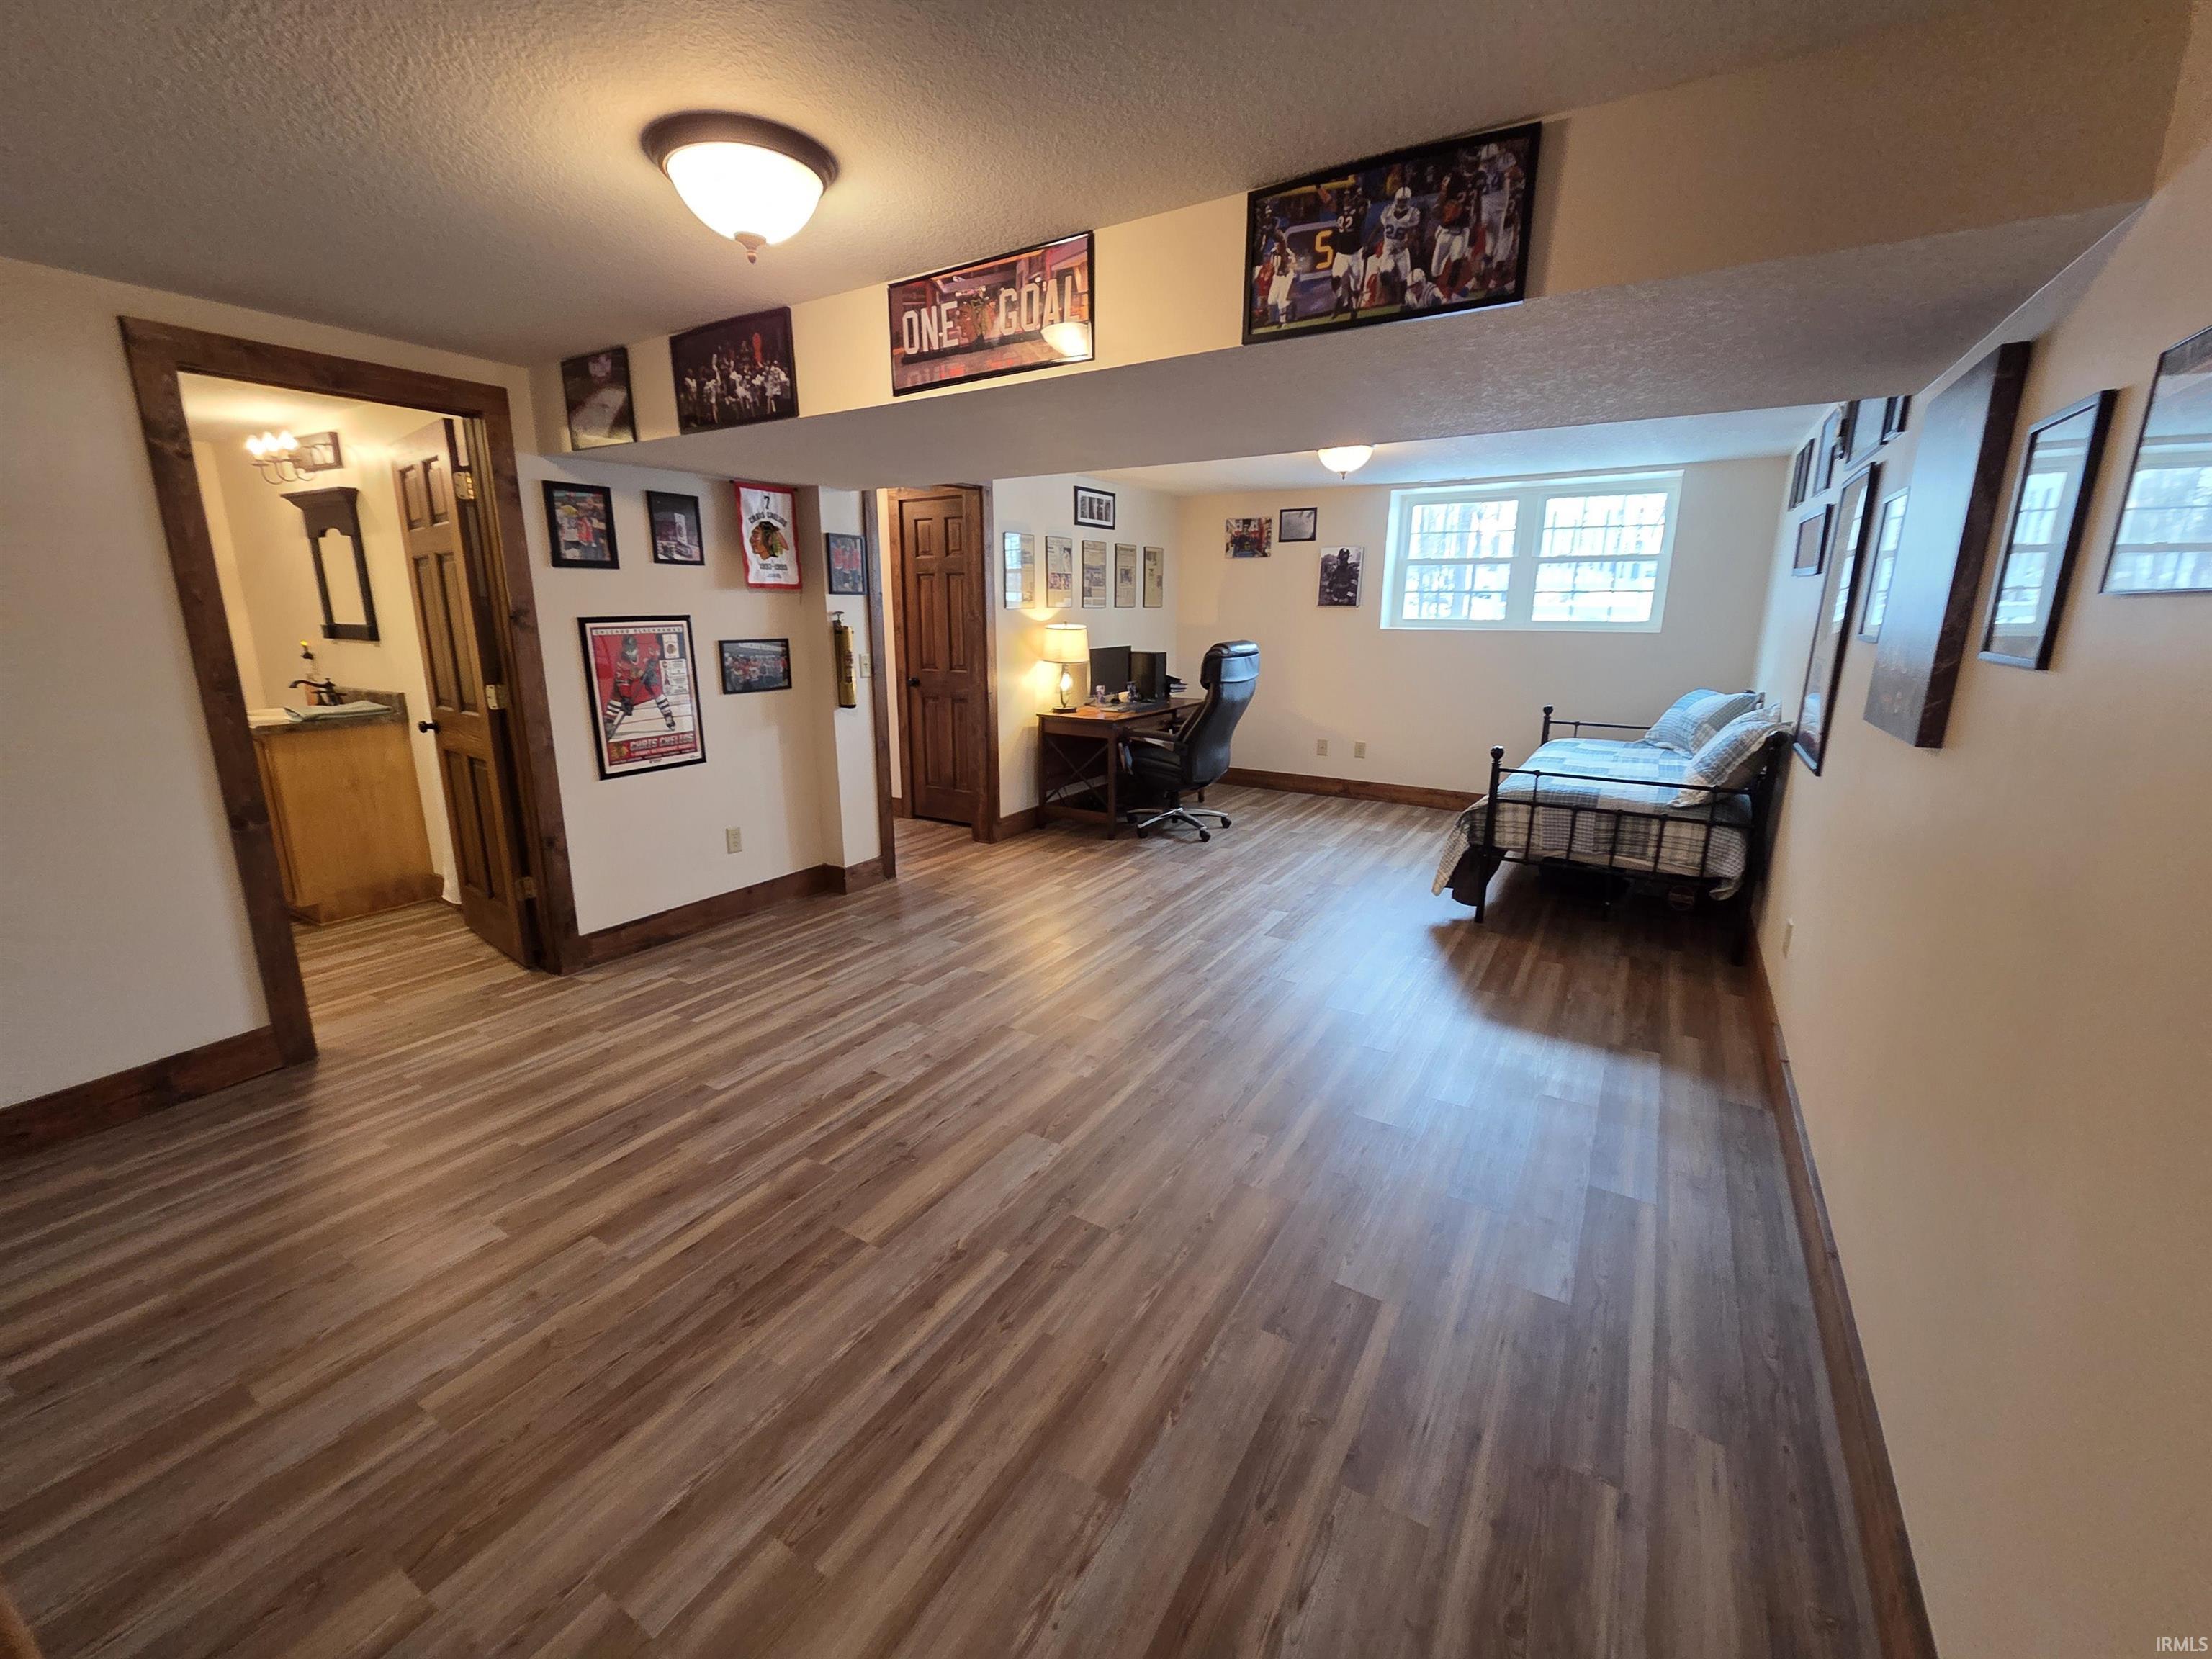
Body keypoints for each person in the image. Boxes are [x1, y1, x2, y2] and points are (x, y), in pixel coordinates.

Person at [601, 634, 677, 736]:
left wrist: (653, 662)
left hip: (647, 672)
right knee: (616, 698)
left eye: (632, 649)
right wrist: (626, 699)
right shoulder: (620, 660)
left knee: (657, 691)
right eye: (627, 649)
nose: (629, 652)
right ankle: (609, 724)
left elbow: (658, 652)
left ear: (636, 647)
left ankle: (668, 716)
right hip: (628, 676)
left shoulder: (646, 649)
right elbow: (623, 680)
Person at [1376, 186, 1422, 302]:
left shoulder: (1413, 213)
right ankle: (1391, 299)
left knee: (1404, 279)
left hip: (1402, 251)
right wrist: (1369, 241)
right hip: (1388, 250)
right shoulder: (1388, 210)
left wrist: (1406, 245)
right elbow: (1379, 226)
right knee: (1385, 277)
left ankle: (1402, 302)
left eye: (1404, 201)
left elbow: (1413, 233)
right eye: (1400, 200)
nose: (1402, 203)